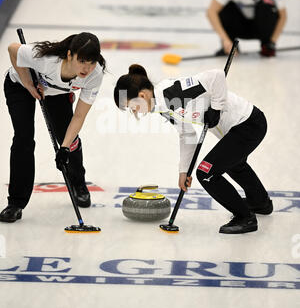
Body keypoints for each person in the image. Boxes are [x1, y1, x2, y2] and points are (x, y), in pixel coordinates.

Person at [114, 64, 273, 234]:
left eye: (133, 107)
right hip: (237, 129)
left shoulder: (171, 93)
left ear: (142, 95)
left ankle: (245, 217)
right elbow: (187, 135)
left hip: (248, 124)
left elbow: (216, 75)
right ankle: (260, 202)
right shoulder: (162, 106)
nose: (135, 112)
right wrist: (184, 171)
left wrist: (216, 108)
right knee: (233, 163)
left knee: (206, 174)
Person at [0, 32, 106, 223]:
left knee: (70, 140)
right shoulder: (45, 59)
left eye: (91, 62)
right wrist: (28, 82)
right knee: (23, 139)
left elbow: (79, 115)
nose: (86, 68)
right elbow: (13, 49)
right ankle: (16, 203)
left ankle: (78, 183)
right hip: (19, 85)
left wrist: (64, 148)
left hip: (56, 93)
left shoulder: (95, 74)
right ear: (69, 55)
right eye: (81, 61)